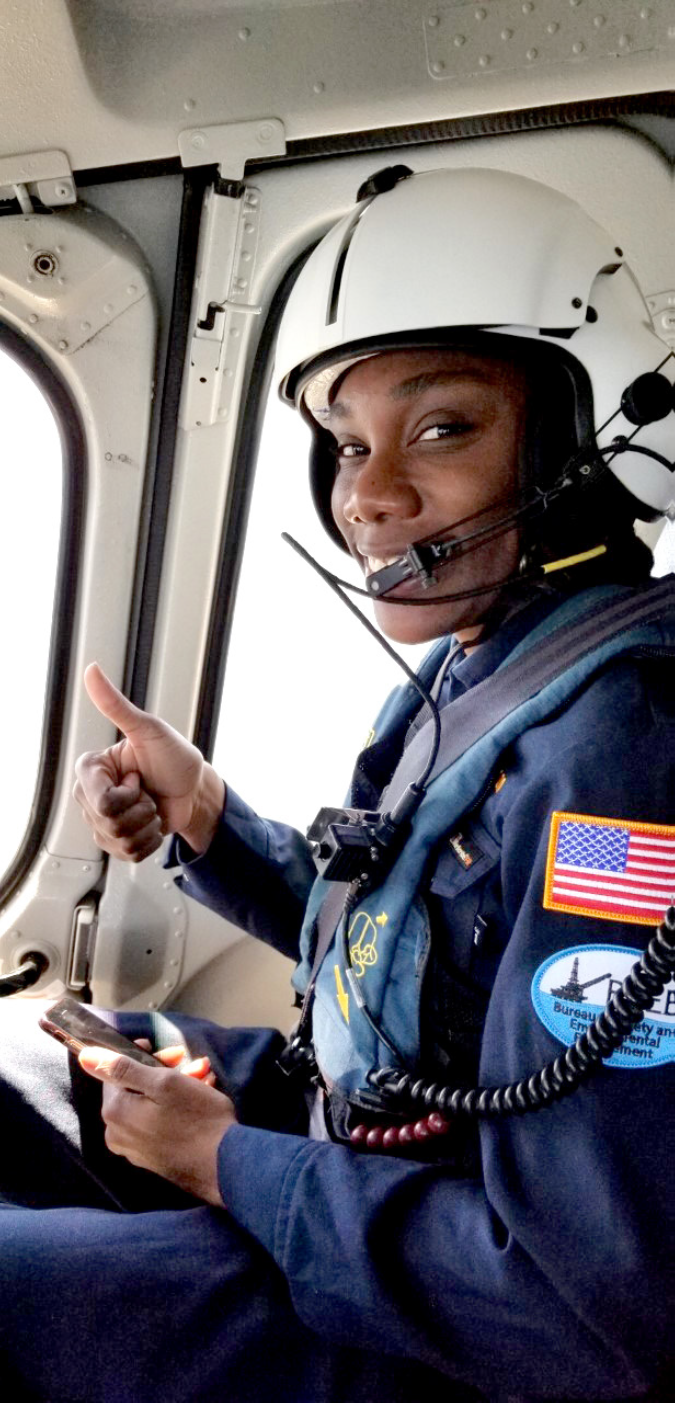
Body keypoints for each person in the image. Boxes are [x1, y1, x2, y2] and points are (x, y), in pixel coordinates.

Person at [0, 166, 673, 1403]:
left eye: (442, 428)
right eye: (349, 442)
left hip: (459, 1316)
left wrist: (227, 1167)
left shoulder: (622, 759)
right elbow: (409, 938)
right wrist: (204, 815)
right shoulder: (481, 669)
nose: (366, 494)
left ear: (589, 440)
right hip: (354, 1134)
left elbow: (590, 1313)